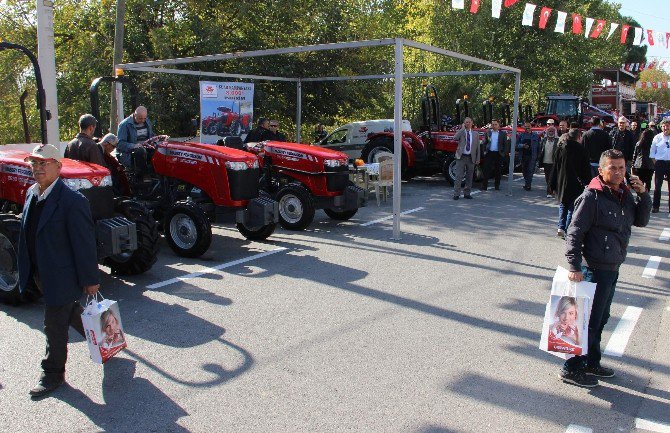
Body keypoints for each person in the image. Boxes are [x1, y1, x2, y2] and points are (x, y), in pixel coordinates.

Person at [561, 149, 651, 388]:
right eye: (613, 167)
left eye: (622, 167)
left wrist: (643, 194)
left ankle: (592, 361)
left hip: (612, 266)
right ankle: (572, 368)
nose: (619, 172)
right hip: (592, 269)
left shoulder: (624, 194)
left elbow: (641, 221)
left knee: (600, 319)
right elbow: (574, 232)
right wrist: (574, 265)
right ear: (601, 170)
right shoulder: (592, 196)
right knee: (584, 321)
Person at [18, 144, 100, 398]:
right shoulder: (33, 193)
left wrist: (90, 280)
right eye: (34, 163)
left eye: (44, 163)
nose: (38, 168)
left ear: (58, 167)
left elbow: (84, 243)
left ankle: (52, 373)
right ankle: (103, 341)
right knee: (70, 312)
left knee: (54, 324)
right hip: (40, 272)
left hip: (62, 274)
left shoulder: (72, 201)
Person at [550, 127, 591, 239]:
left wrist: (552, 184)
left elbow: (555, 167)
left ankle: (560, 227)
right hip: (576, 184)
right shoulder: (582, 150)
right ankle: (567, 229)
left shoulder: (560, 148)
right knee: (571, 207)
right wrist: (588, 183)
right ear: (578, 137)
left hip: (561, 182)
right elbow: (585, 169)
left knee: (563, 204)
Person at [452, 117, 480, 200]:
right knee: (458, 176)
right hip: (461, 157)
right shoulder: (461, 132)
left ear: (472, 123)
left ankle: (467, 193)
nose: (468, 124)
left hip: (471, 157)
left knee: (469, 176)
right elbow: (455, 138)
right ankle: (456, 194)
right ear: (464, 123)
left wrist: (478, 158)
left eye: (469, 122)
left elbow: (478, 147)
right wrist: (462, 129)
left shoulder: (475, 134)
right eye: (466, 122)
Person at [480, 118, 508, 191]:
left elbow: (505, 145)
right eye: (493, 124)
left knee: (498, 171)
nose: (494, 126)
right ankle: (484, 186)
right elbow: (484, 143)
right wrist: (484, 152)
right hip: (489, 153)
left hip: (498, 154)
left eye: (495, 124)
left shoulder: (503, 134)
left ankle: (497, 186)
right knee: (486, 170)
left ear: (499, 125)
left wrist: (503, 153)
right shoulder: (488, 132)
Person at [650, 118, 670, 213]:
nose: (666, 128)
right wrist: (656, 163)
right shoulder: (657, 137)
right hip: (660, 163)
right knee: (658, 186)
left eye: (667, 126)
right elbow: (652, 152)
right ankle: (655, 206)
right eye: (664, 126)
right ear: (661, 127)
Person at [517, 121, 540, 191]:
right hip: (523, 156)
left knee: (530, 171)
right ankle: (527, 183)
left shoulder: (535, 135)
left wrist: (538, 156)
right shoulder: (521, 135)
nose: (527, 128)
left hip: (532, 156)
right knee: (524, 171)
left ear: (531, 127)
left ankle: (528, 185)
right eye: (526, 126)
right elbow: (516, 145)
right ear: (524, 127)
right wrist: (522, 146)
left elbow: (539, 147)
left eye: (528, 126)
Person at [538, 125, 559, 197]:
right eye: (549, 131)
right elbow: (540, 150)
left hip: (554, 162)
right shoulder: (544, 140)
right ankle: (551, 190)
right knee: (547, 177)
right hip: (545, 161)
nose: (551, 132)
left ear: (555, 132)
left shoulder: (557, 140)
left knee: (551, 177)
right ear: (547, 132)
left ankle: (549, 192)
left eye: (552, 131)